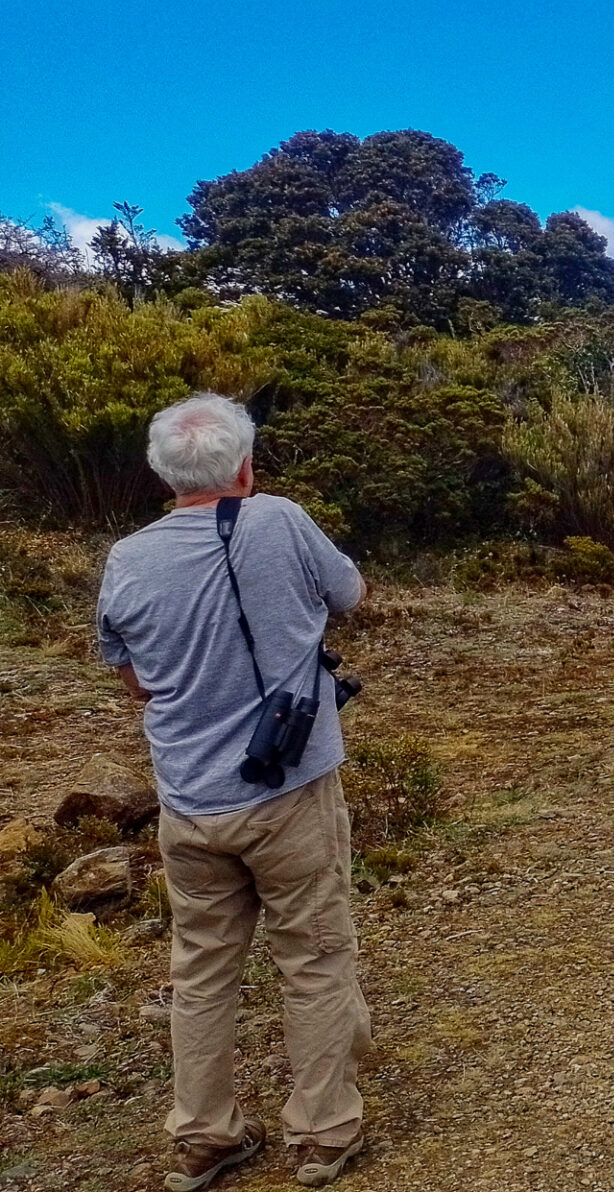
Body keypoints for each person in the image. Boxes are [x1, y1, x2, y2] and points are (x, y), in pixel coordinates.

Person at [94, 394, 371, 1192]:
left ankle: (203, 1136)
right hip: (290, 792)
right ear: (245, 466)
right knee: (314, 958)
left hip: (187, 800)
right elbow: (350, 594)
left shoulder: (126, 558)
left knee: (203, 970)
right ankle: (321, 1135)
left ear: (161, 473)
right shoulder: (277, 519)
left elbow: (136, 682)